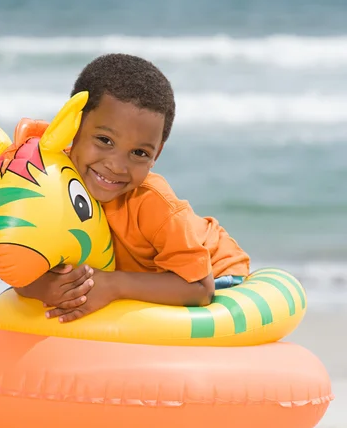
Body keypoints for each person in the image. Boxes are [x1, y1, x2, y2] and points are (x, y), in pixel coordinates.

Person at [15, 53, 250, 323]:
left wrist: (115, 285)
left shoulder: (152, 201)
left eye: (139, 153)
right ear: (73, 126)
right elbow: (23, 265)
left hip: (216, 272)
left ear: (156, 155)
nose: (116, 166)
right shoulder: (49, 182)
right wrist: (45, 288)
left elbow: (199, 288)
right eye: (104, 140)